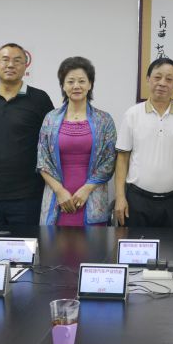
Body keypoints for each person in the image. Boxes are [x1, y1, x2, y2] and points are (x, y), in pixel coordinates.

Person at [0, 43, 54, 228]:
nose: (10, 65)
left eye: (17, 61)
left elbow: (50, 142)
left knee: (26, 245)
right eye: (5, 60)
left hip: (28, 196)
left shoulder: (40, 99)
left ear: (25, 66)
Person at [38, 57, 116, 226]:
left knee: (92, 244)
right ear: (63, 86)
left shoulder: (104, 120)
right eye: (70, 81)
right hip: (58, 200)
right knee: (54, 243)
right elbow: (42, 161)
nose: (76, 86)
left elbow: (109, 161)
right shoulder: (50, 119)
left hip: (92, 198)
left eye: (82, 81)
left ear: (90, 84)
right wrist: (60, 191)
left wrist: (87, 189)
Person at [114, 58, 173, 228]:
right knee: (136, 244)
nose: (162, 83)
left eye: (169, 79)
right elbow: (122, 158)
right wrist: (120, 197)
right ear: (148, 79)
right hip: (137, 200)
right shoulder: (133, 114)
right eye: (157, 77)